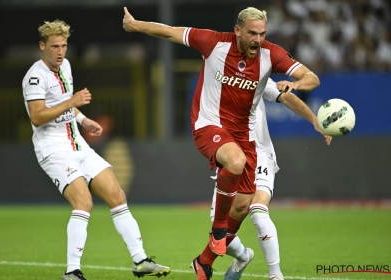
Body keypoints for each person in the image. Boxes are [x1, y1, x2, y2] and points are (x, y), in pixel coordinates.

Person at [122, 6, 322, 280]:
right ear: (237, 30)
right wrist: (135, 25)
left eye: (262, 34)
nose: (257, 39)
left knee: (241, 207)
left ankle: (204, 261)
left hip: (245, 138)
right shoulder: (213, 42)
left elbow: (311, 77)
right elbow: (169, 32)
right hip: (209, 125)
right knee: (236, 164)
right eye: (252, 33)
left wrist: (297, 86)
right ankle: (222, 235)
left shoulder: (270, 55)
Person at [22, 19, 170, 280]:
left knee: (117, 195)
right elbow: (37, 116)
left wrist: (83, 119)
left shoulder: (65, 66)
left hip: (77, 143)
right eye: (54, 46)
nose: (60, 51)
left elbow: (66, 105)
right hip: (53, 149)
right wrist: (73, 101)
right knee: (84, 202)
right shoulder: (35, 77)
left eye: (64, 45)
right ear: (42, 46)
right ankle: (72, 272)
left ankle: (141, 260)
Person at [210, 78, 332, 280]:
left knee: (258, 211)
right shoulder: (211, 86)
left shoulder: (251, 76)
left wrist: (313, 119)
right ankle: (243, 257)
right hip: (231, 159)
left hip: (259, 154)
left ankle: (275, 275)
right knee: (218, 232)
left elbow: (286, 97)